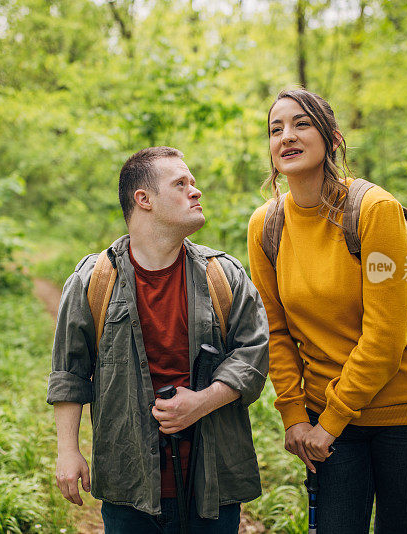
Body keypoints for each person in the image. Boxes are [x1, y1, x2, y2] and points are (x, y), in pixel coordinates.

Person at [247, 89, 407, 534]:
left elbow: (386, 335)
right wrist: (294, 416)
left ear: (333, 138)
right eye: (276, 128)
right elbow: (275, 330)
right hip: (328, 419)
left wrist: (329, 424)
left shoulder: (373, 210)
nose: (287, 135)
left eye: (301, 124)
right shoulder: (265, 225)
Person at [48, 146, 269, 534]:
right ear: (144, 199)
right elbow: (70, 371)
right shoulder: (93, 280)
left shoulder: (225, 275)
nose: (195, 191)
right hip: (128, 485)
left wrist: (201, 403)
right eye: (181, 184)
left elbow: (253, 355)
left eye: (194, 183)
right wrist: (68, 451)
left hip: (214, 482)